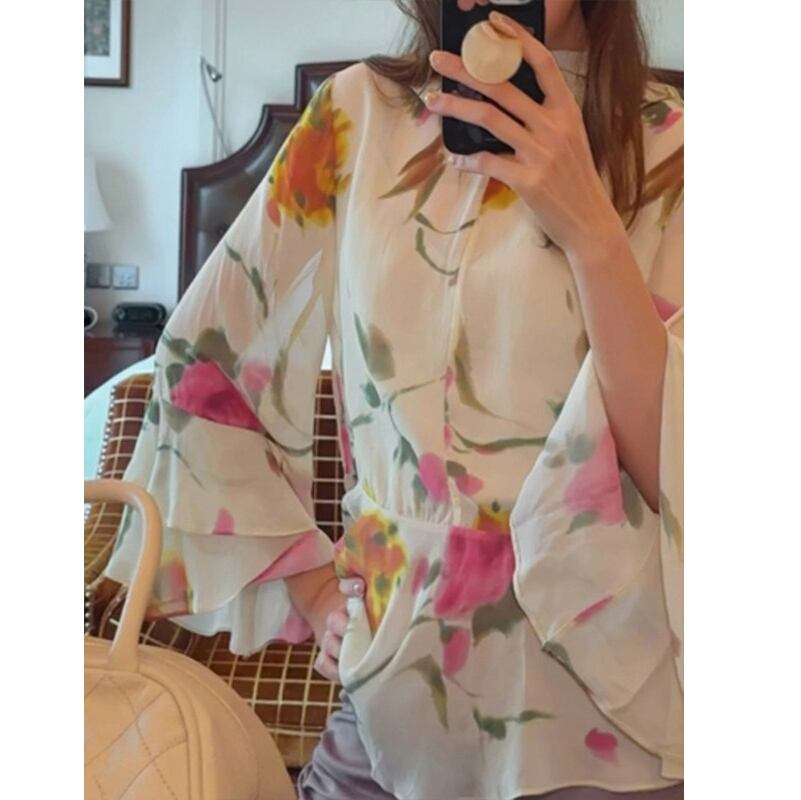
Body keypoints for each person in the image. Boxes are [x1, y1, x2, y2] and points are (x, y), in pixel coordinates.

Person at [104, 1, 684, 797]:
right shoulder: (359, 116)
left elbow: (679, 469)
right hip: (390, 703)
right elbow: (202, 359)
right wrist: (314, 587)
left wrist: (589, 231)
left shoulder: (677, 148)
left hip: (605, 720)